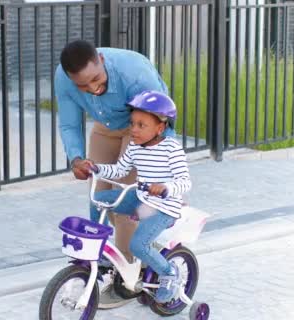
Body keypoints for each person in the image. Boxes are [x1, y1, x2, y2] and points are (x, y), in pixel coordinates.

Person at [54, 39, 174, 308]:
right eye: (82, 86)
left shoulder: (135, 73)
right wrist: (76, 158)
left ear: (101, 59)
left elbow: (162, 122)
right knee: (98, 196)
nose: (92, 89)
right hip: (105, 125)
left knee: (124, 201)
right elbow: (69, 123)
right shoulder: (63, 77)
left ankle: (127, 278)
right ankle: (99, 263)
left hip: (141, 127)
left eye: (96, 79)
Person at [79, 90, 191, 304]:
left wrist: (166, 187)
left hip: (163, 207)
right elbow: (120, 170)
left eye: (142, 125)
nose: (134, 130)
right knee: (98, 199)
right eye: (133, 124)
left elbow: (185, 181)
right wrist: (96, 168)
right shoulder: (135, 146)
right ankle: (99, 250)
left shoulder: (171, 149)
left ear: (160, 127)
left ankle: (169, 273)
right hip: (141, 199)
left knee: (138, 245)